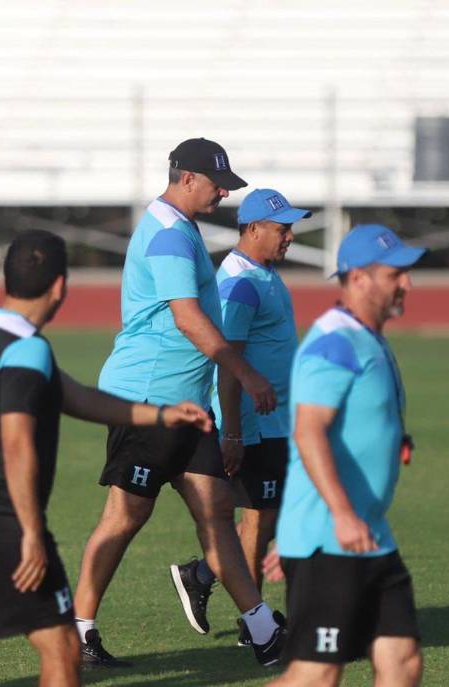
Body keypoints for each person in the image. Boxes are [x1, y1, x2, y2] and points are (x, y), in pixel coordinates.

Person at [0, 230, 213, 687]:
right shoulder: (28, 351)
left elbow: (76, 396)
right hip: (8, 524)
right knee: (63, 652)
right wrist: (29, 532)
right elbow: (17, 444)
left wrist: (161, 414)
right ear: (61, 286)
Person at [73, 138, 286, 668]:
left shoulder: (181, 227)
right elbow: (187, 316)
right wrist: (242, 370)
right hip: (147, 400)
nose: (224, 195)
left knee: (215, 511)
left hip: (185, 405)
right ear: (187, 178)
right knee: (125, 517)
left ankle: (263, 631)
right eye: (219, 185)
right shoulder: (168, 233)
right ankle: (76, 630)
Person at [268, 224, 426, 687]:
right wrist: (332, 516)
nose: (407, 284)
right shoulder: (333, 342)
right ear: (358, 278)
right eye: (396, 274)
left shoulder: (366, 336)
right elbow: (307, 431)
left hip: (368, 534)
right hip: (332, 539)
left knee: (403, 661)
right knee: (316, 677)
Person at [169, 188, 309, 646]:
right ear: (252, 229)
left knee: (263, 519)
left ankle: (204, 575)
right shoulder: (240, 283)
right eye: (281, 228)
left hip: (274, 422)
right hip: (253, 425)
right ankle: (254, 623)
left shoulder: (262, 274)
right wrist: (233, 433)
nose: (289, 236)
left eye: (290, 227)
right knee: (257, 521)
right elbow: (228, 364)